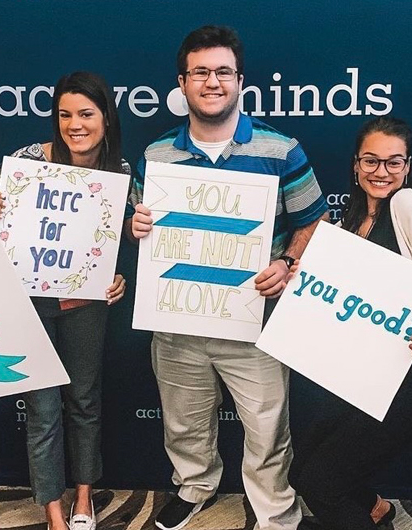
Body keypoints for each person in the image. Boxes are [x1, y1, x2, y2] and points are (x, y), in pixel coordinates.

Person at [125, 25, 329, 530]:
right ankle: (194, 486)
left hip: (253, 321)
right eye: (200, 72)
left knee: (266, 427)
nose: (211, 82)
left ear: (240, 80)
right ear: (182, 82)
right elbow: (139, 223)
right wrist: (136, 226)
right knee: (182, 422)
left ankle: (274, 509)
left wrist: (287, 264)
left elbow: (314, 220)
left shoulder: (282, 149)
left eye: (222, 72)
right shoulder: (155, 155)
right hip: (176, 322)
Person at [288, 117, 412, 530]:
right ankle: (376, 511)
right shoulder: (351, 220)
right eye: (371, 161)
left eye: (393, 162)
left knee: (323, 482)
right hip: (366, 377)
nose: (381, 172)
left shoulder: (411, 208)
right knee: (303, 472)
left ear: (407, 167)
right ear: (356, 165)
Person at [0, 71, 127, 530]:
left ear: (106, 117)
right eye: (65, 114)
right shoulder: (26, 161)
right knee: (42, 411)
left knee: (84, 401)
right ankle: (53, 511)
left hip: (86, 307)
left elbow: (120, 243)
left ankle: (84, 495)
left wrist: (116, 278)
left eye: (86, 113)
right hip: (30, 306)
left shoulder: (120, 173)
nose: (75, 124)